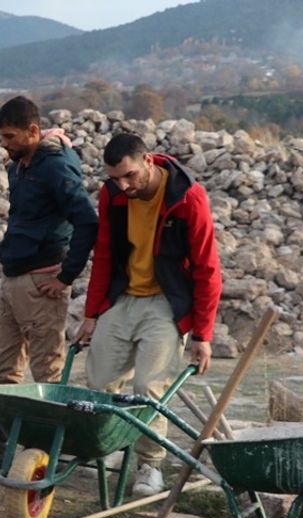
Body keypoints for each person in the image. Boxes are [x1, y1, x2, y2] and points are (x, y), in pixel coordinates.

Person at [0, 96, 99, 469]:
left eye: (10, 136)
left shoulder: (56, 167)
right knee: (6, 368)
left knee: (46, 370)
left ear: (34, 131)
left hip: (41, 278)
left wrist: (66, 275)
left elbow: (87, 221)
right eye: (2, 137)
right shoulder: (22, 165)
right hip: (15, 277)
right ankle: (1, 442)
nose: (5, 144)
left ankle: (50, 450)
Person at [75, 133, 222, 496]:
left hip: (166, 301)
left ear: (149, 162)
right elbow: (105, 253)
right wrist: (92, 313)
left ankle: (149, 464)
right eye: (114, 178)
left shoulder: (187, 198)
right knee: (100, 380)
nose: (122, 186)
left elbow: (207, 269)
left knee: (148, 389)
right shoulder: (112, 194)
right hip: (123, 295)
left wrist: (202, 335)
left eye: (129, 176)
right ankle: (107, 447)